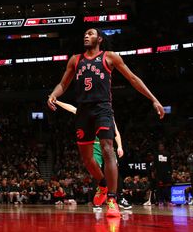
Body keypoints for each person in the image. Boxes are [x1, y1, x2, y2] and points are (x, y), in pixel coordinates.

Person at [47, 28, 165, 218]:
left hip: (102, 108)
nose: (86, 35)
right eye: (85, 33)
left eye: (91, 33)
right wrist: (54, 94)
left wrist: (154, 99)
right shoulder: (75, 59)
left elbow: (133, 79)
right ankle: (102, 183)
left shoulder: (109, 57)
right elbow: (63, 84)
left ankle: (112, 198)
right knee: (87, 159)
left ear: (99, 39)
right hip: (83, 111)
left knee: (107, 149)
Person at [50, 98, 132, 211]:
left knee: (115, 172)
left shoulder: (106, 113)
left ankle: (120, 198)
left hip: (107, 145)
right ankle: (99, 198)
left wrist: (120, 146)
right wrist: (57, 102)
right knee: (96, 171)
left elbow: (116, 132)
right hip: (95, 146)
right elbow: (72, 108)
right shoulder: (87, 112)